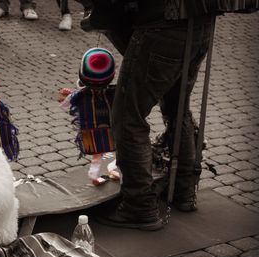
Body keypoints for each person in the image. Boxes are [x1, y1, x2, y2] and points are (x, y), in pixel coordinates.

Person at [89, 1, 212, 231]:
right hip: (197, 22)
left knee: (128, 116)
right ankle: (183, 189)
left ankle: (139, 206)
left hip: (164, 24)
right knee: (178, 107)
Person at [59, 47, 120, 185]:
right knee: (119, 148)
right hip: (112, 127)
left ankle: (94, 176)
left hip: (90, 129)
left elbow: (66, 105)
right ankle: (115, 169)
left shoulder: (81, 94)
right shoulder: (114, 92)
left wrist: (67, 95)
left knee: (97, 154)